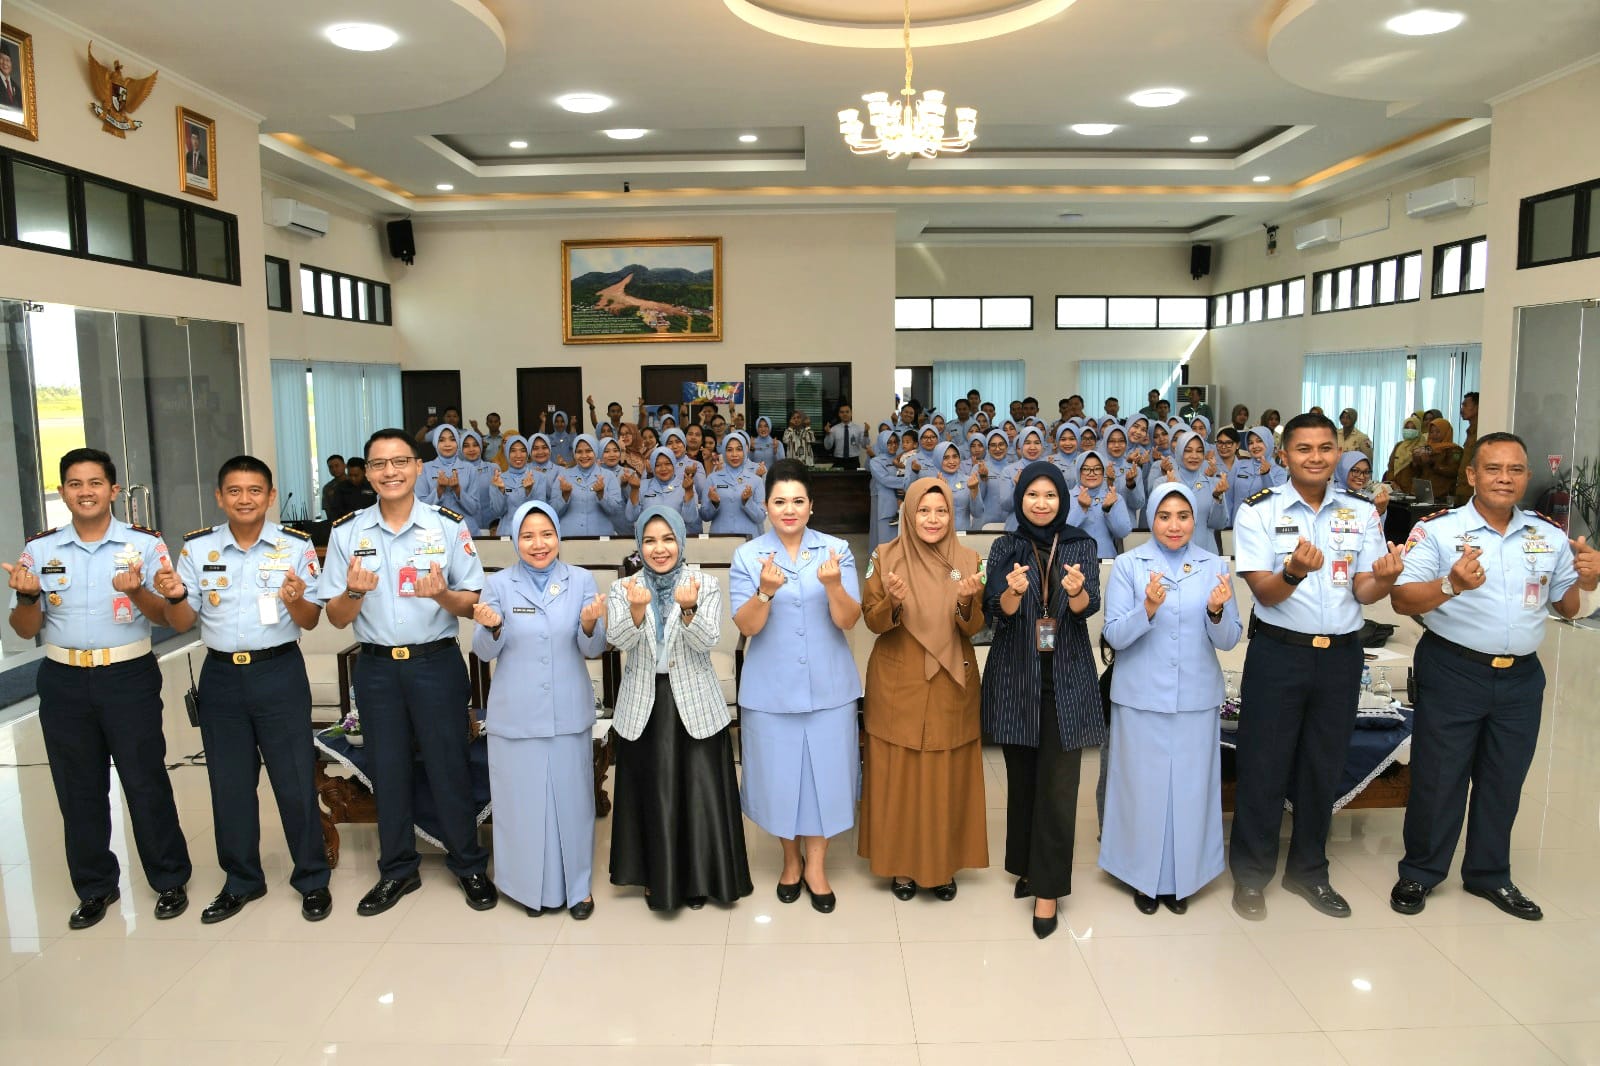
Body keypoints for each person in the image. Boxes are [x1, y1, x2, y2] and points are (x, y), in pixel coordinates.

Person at [1388, 433, 1600, 920]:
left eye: (1515, 470)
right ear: (1472, 475)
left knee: (1504, 779)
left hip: (1521, 678)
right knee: (1440, 779)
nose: (1505, 478)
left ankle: (1489, 874)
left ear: (1527, 476)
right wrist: (1451, 584)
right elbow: (1401, 598)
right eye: (1493, 468)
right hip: (1453, 669)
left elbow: (1567, 606)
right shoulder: (1439, 530)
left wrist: (1589, 582)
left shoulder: (1547, 535)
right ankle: (1421, 871)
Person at [4, 448, 192, 930]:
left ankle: (169, 878)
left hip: (127, 676)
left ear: (113, 490)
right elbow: (25, 629)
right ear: (62, 492)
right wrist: (27, 595)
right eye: (74, 484)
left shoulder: (144, 545)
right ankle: (94, 887)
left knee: (144, 779)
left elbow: (166, 616)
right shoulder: (40, 550)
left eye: (94, 483)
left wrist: (136, 590)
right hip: (63, 679)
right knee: (78, 787)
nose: (85, 492)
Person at [1228, 412, 1406, 921]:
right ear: (1284, 455)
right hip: (1280, 653)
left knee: (1323, 765)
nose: (1315, 457)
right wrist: (1293, 571)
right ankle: (1252, 876)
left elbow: (1364, 590)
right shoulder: (1258, 511)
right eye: (1303, 449)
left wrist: (1385, 578)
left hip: (1342, 656)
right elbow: (1265, 593)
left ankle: (1309, 871)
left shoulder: (1360, 512)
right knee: (1263, 764)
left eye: (1325, 448)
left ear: (1337, 453)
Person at [314, 428, 496, 916]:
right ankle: (397, 870)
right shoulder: (348, 532)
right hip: (376, 668)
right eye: (378, 464)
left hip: (435, 662)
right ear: (368, 473)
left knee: (449, 765)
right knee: (387, 769)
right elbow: (336, 617)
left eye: (399, 462)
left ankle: (468, 864)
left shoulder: (446, 526)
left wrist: (442, 595)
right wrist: (353, 592)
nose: (389, 472)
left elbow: (472, 602)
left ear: (418, 467)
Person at [157, 456, 331, 924]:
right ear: (220, 497)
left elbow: (311, 620)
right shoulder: (198, 548)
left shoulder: (295, 546)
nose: (245, 499)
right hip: (220, 678)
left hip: (279, 672)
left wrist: (296, 600)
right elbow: (181, 621)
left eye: (255, 490)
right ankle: (241, 880)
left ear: (270, 496)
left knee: (294, 781)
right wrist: (174, 596)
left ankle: (312, 878)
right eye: (234, 491)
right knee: (229, 784)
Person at [1100, 482, 1241, 913]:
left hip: (1195, 698)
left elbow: (1229, 639)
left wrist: (1216, 611)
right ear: (1152, 519)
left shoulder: (1214, 565)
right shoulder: (1129, 565)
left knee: (1190, 792)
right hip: (1140, 697)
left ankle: (1184, 879)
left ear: (1195, 519)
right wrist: (1146, 609)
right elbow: (1114, 635)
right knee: (1141, 792)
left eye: (1183, 516)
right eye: (1164, 516)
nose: (1174, 525)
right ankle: (1141, 877)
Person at [730, 459, 862, 914]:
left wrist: (833, 586)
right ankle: (790, 861)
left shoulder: (836, 550)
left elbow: (848, 619)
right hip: (771, 691)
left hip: (829, 687)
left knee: (826, 777)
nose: (789, 510)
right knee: (780, 780)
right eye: (780, 501)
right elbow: (746, 626)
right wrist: (765, 592)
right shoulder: (748, 556)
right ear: (766, 506)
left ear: (811, 506)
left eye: (798, 501)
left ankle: (816, 867)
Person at [607, 506, 752, 911]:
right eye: (650, 541)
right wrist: (637, 612)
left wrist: (688, 610)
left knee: (697, 795)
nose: (660, 549)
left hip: (695, 701)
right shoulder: (623, 588)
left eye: (668, 539)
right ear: (639, 546)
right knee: (653, 796)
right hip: (643, 702)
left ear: (681, 542)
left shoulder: (704, 584)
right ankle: (656, 877)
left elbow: (708, 641)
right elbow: (617, 640)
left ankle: (699, 878)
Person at [981, 461, 1102, 939]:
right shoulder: (1005, 546)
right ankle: (1028, 867)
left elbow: (1087, 608)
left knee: (1058, 787)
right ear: (1020, 499)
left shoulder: (1080, 544)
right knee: (1024, 781)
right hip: (1016, 677)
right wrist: (1011, 594)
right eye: (1033, 494)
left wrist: (1076, 592)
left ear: (1062, 500)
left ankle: (1048, 890)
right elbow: (997, 612)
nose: (1041, 503)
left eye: (1050, 495)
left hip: (1066, 678)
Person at [469, 501, 605, 918]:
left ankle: (578, 889)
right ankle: (528, 890)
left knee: (573, 805)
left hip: (567, 712)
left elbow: (594, 648)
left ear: (558, 536)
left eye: (546, 534)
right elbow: (482, 650)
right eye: (527, 536)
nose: (538, 543)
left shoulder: (580, 580)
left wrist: (589, 624)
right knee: (522, 807)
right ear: (514, 540)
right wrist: (492, 626)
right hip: (516, 714)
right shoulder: (498, 585)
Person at [858, 479, 988, 900]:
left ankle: (942, 865)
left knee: (944, 775)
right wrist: (892, 602)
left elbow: (974, 626)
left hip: (951, 680)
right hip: (901, 679)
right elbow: (872, 622)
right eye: (924, 511)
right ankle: (900, 865)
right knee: (900, 775)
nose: (933, 519)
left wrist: (967, 602)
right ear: (908, 514)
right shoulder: (884, 556)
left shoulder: (969, 560)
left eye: (942, 511)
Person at [550, 433, 628, 537]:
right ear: (574, 454)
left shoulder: (608, 476)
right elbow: (553, 512)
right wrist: (564, 496)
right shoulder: (563, 476)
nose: (584, 456)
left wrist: (601, 495)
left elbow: (615, 511)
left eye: (588, 451)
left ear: (595, 451)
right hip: (569, 538)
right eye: (579, 452)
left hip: (601, 538)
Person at [702, 431, 767, 535]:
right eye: (729, 450)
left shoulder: (756, 480)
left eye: (739, 449)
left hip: (748, 539)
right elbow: (705, 516)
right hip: (720, 539)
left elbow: (761, 517)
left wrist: (747, 501)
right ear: (724, 452)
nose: (734, 454)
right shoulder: (712, 478)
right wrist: (714, 503)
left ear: (745, 451)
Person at [1067, 452, 1130, 558]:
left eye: (1097, 469)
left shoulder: (1114, 497)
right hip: (1074, 561)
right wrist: (1082, 508)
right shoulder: (1066, 497)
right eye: (1086, 469)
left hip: (1106, 560)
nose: (1092, 473)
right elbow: (1062, 532)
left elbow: (1123, 532)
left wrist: (1108, 510)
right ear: (1078, 471)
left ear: (1103, 471)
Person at [417, 424, 475, 519]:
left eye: (452, 439)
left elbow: (474, 508)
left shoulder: (470, 468)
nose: (447, 444)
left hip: (464, 525)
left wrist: (458, 490)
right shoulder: (424, 468)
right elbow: (419, 509)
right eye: (441, 440)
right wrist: (439, 490)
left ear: (458, 441)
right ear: (435, 442)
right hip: (434, 526)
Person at [868, 429, 912, 552]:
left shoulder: (903, 457)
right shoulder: (876, 461)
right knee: (884, 535)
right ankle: (881, 561)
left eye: (895, 442)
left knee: (901, 535)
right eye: (889, 443)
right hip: (885, 501)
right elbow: (885, 479)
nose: (893, 445)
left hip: (903, 500)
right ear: (882, 443)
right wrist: (907, 483)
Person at [1408, 418, 1464, 503]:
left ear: (1446, 432)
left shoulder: (1454, 450)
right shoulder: (1426, 448)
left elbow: (1453, 471)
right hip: (1424, 493)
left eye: (1438, 432)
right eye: (1431, 432)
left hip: (1442, 495)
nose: (1434, 435)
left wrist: (1431, 463)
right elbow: (1417, 473)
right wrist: (1415, 463)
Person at [1453, 391, 1480, 503]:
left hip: (1472, 490)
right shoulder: (1470, 431)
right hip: (1462, 488)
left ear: (1477, 407)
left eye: (1465, 405)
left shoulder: (1481, 431)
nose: (1461, 409)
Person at [822, 403, 868, 469]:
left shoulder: (858, 428)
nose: (845, 414)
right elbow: (827, 447)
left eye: (847, 412)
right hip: (838, 461)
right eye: (842, 412)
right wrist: (828, 434)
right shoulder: (834, 429)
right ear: (839, 414)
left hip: (853, 461)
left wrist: (866, 433)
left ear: (851, 413)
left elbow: (865, 446)